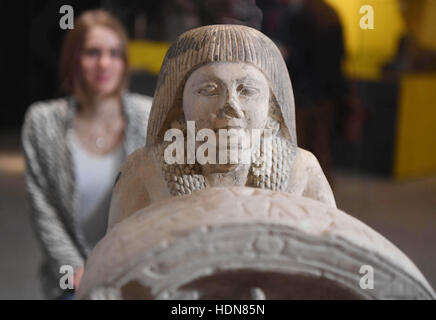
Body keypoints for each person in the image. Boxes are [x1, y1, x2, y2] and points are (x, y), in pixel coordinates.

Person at [106, 25, 336, 229]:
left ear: (271, 111)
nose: (230, 105)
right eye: (209, 89)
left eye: (247, 90)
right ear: (178, 109)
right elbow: (112, 266)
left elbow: (332, 260)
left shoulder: (301, 171)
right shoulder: (145, 171)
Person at [21, 10, 152, 299]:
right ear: (73, 59)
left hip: (138, 273)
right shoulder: (42, 122)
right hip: (72, 278)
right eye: (93, 52)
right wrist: (78, 272)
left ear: (124, 62)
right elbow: (45, 212)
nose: (104, 63)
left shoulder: (149, 117)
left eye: (114, 53)